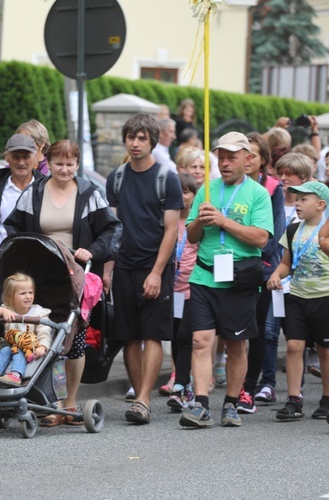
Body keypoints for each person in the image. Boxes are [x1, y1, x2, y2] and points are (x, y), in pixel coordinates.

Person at [4, 139, 121, 425]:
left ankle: (70, 402)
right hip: (41, 274)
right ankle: (50, 402)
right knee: (44, 336)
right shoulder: (34, 192)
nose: (64, 169)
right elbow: (13, 227)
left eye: (70, 164)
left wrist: (91, 250)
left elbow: (110, 229)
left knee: (74, 340)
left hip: (75, 274)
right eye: (58, 163)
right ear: (47, 163)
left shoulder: (90, 193)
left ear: (77, 164)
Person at [180, 131, 273, 429]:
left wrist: (222, 221)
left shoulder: (258, 194)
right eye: (221, 157)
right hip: (205, 275)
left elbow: (260, 239)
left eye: (232, 157)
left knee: (235, 345)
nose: (225, 163)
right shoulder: (207, 188)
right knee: (200, 340)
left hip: (239, 280)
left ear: (248, 160)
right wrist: (200, 221)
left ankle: (231, 403)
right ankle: (201, 404)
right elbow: (191, 236)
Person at [106, 113, 183, 425]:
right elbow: (111, 228)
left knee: (152, 335)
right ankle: (139, 397)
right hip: (123, 267)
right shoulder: (117, 177)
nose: (135, 143)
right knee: (128, 336)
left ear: (152, 141)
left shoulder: (167, 177)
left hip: (154, 267)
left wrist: (156, 271)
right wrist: (108, 269)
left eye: (142, 138)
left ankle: (144, 398)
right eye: (131, 137)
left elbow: (171, 230)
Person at [267, 181, 329, 421]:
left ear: (320, 204)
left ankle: (326, 399)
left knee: (325, 350)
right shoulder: (292, 230)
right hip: (297, 296)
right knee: (293, 346)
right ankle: (294, 400)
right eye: (297, 198)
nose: (298, 203)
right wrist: (275, 275)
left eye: (304, 199)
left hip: (324, 297)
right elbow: (285, 263)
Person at [237, 133, 285, 413]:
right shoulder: (227, 187)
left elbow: (274, 235)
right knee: (230, 333)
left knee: (255, 332)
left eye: (254, 154)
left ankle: (248, 389)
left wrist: (254, 256)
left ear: (263, 159)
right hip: (230, 269)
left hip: (261, 270)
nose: (249, 159)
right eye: (246, 153)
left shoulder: (272, 188)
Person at [0, 134, 45, 268]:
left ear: (35, 158)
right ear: (7, 157)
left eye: (26, 157)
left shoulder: (46, 189)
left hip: (37, 266)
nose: (21, 162)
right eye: (16, 157)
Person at [0, 273, 52, 388]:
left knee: (18, 352)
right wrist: (2, 311)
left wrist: (43, 347)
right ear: (10, 296)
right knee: (4, 351)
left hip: (30, 350)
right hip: (11, 346)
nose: (28, 296)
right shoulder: (8, 310)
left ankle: (15, 375)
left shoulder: (39, 313)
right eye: (23, 293)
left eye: (30, 292)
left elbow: (45, 333)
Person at [166, 173, 199, 411]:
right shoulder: (168, 221)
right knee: (176, 337)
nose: (183, 196)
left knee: (187, 336)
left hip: (192, 289)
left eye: (187, 192)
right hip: (171, 289)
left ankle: (182, 385)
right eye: (179, 191)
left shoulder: (196, 222)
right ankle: (180, 378)